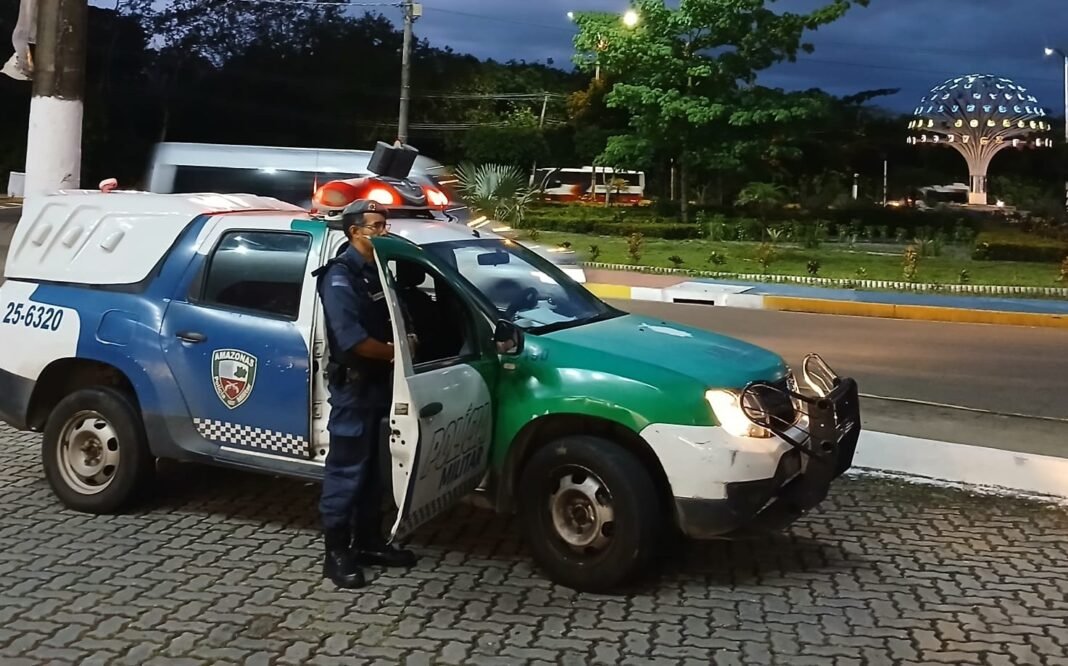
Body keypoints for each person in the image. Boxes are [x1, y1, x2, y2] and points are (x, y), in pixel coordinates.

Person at [312, 199, 417, 589]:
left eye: (385, 225)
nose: (384, 231)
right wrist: (399, 353)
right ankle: (336, 553)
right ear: (355, 231)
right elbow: (352, 340)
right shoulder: (339, 277)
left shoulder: (378, 271)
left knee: (374, 471)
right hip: (355, 389)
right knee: (347, 470)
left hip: (381, 385)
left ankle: (369, 542)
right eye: (376, 226)